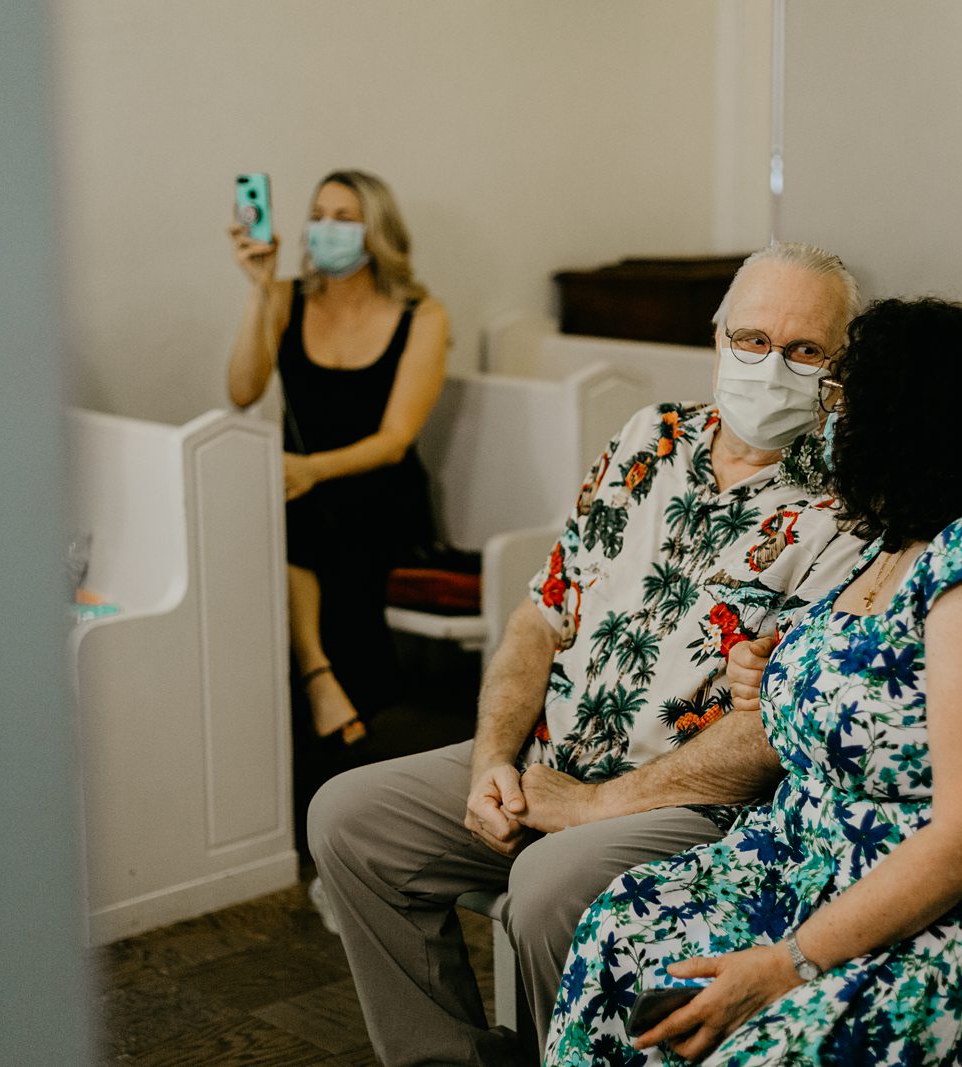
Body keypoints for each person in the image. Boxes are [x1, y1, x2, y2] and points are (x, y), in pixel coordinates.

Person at [307, 242, 867, 1065]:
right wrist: (493, 761)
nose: (769, 364)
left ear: (838, 372)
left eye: (803, 350)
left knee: (547, 886)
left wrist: (592, 807)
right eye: (751, 338)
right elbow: (540, 618)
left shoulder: (849, 504)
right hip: (548, 759)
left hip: (688, 805)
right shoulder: (652, 437)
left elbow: (772, 734)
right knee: (348, 819)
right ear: (716, 338)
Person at [543, 297, 962, 1065]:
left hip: (925, 911)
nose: (830, 423)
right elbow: (865, 683)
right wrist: (772, 674)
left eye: (846, 402)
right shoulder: (890, 537)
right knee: (621, 930)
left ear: (911, 418)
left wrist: (791, 962)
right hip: (793, 863)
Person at [226, 169, 449, 749]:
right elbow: (242, 390)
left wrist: (311, 469)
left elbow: (395, 439)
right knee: (280, 519)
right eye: (319, 215)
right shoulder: (286, 300)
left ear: (377, 232)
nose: (327, 229)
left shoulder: (421, 315)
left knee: (315, 522)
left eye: (344, 218)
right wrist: (258, 288)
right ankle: (331, 686)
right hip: (300, 492)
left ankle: (318, 681)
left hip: (379, 490)